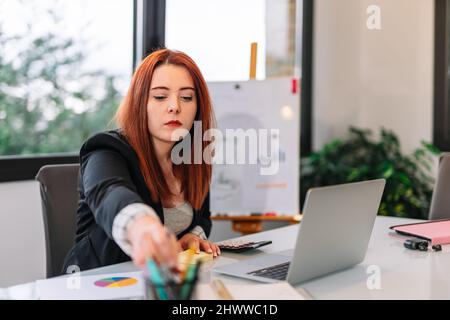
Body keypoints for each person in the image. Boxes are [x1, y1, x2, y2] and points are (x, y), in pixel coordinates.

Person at [62, 48, 220, 274]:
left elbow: (202, 217)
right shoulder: (106, 148)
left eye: (186, 97)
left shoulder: (193, 157)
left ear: (197, 107)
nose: (175, 106)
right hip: (95, 282)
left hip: (159, 283)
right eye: (159, 96)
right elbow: (110, 193)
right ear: (139, 102)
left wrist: (191, 237)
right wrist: (142, 227)